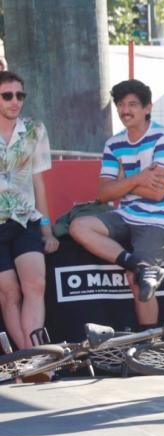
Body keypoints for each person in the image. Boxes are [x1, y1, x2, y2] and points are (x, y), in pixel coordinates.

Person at [69, 79, 164, 330]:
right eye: (121, 105)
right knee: (79, 226)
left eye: (132, 104)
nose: (125, 110)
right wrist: (139, 178)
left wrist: (122, 183)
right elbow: (102, 194)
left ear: (147, 108)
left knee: (136, 281)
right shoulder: (114, 143)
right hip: (128, 214)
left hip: (163, 220)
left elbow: (157, 194)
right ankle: (142, 266)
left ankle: (149, 345)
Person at [0, 70, 57, 350]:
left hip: (26, 220)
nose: (15, 101)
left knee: (35, 285)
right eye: (7, 95)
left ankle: (35, 356)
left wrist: (47, 228)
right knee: (9, 294)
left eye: (20, 95)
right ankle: (26, 358)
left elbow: (39, 184)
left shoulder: (35, 129)